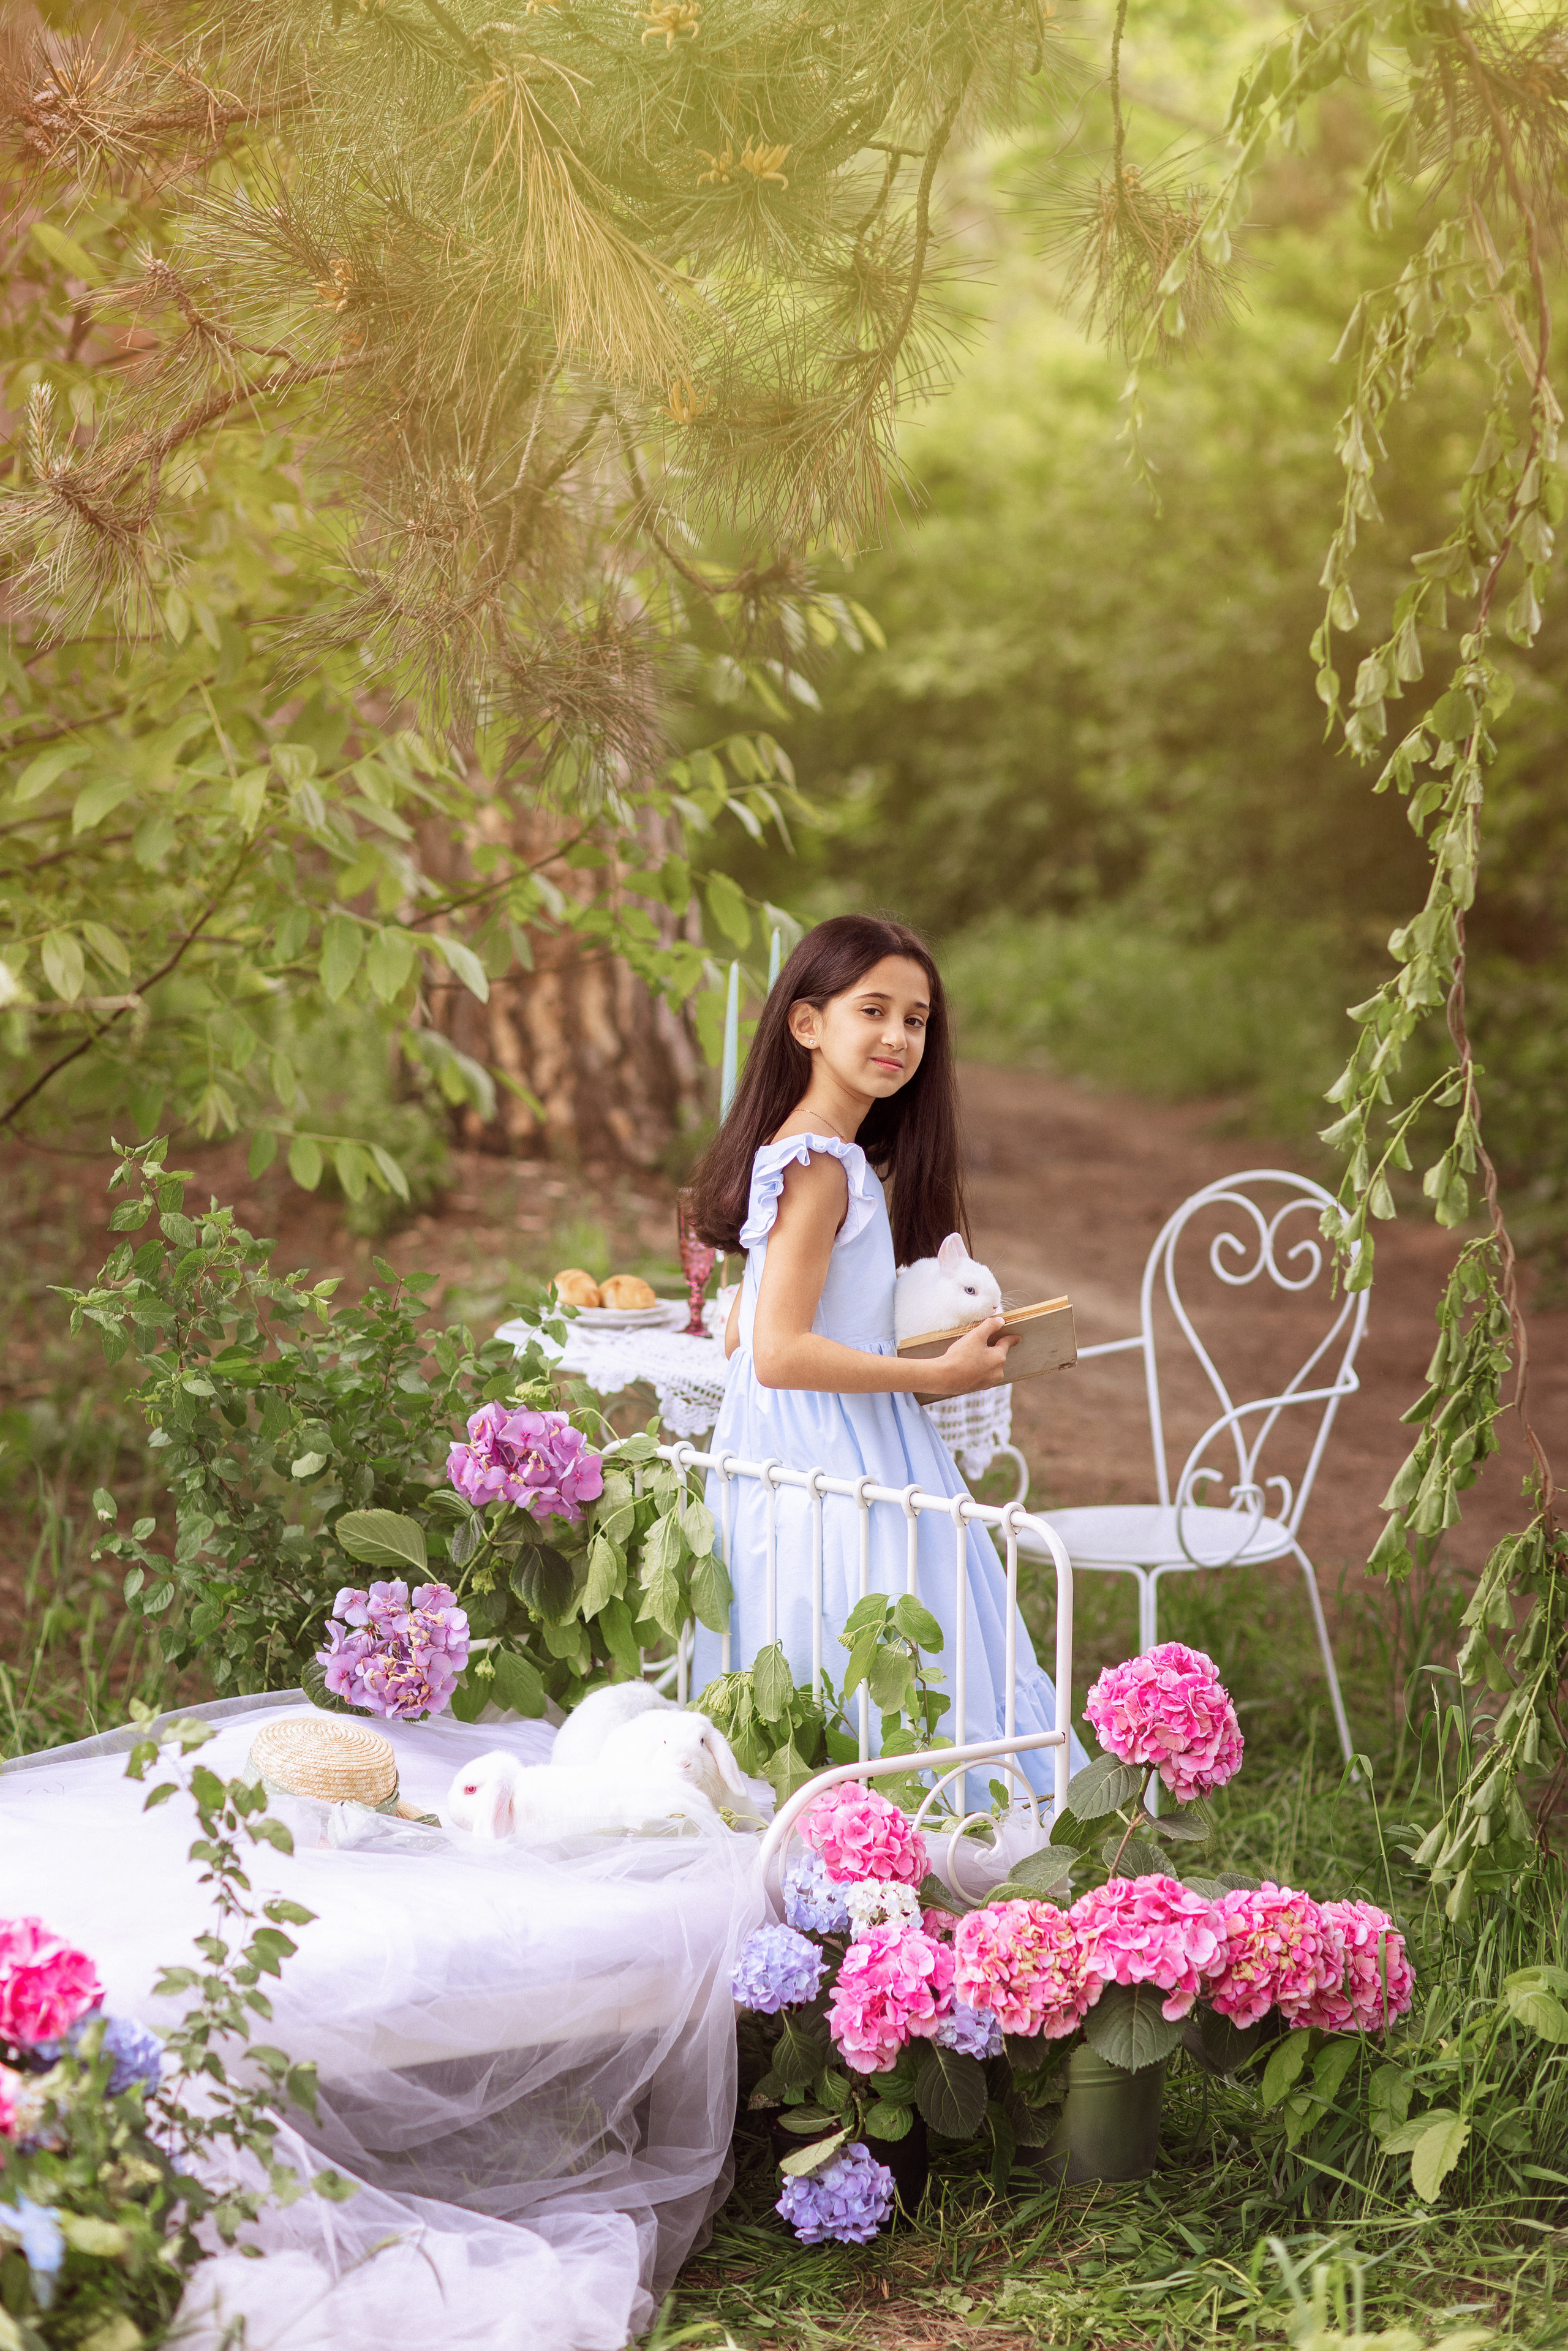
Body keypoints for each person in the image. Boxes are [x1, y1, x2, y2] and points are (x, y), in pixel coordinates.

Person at [687, 913, 1078, 1796]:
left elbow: (750, 1328)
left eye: (916, 1018)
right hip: (834, 1447)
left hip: (819, 1437)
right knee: (882, 1636)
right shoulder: (818, 1162)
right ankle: (909, 1851)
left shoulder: (825, 1155)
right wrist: (935, 1375)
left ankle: (861, 1857)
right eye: (873, 1010)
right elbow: (781, 1352)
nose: (898, 1036)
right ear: (808, 1023)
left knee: (837, 1638)